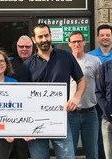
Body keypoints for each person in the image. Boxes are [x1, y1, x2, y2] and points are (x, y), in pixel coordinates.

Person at [20, 23, 86, 159]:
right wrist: (25, 126)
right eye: (40, 36)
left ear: (50, 36)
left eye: (46, 35)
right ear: (34, 39)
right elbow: (23, 96)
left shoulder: (66, 57)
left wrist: (76, 97)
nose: (44, 39)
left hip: (60, 118)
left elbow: (82, 80)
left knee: (67, 157)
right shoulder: (27, 65)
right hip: (35, 121)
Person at [67, 31, 101, 159]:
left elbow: (102, 83)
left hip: (90, 113)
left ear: (84, 42)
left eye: (79, 41)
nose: (77, 44)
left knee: (92, 152)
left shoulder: (95, 61)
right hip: (71, 114)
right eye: (74, 41)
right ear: (69, 44)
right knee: (69, 152)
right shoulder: (65, 60)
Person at [88, 24, 112, 159]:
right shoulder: (90, 56)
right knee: (99, 137)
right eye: (102, 35)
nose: (105, 37)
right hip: (98, 104)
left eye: (107, 35)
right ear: (98, 37)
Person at [10, 35, 33, 159]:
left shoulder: (39, 61)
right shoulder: (9, 64)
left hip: (34, 111)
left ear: (32, 47)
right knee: (18, 148)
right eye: (21, 46)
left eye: (27, 46)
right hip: (14, 111)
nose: (24, 49)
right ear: (17, 47)